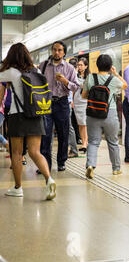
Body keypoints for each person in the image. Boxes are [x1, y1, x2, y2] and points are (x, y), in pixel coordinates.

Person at [0, 43, 56, 199]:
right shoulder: (36, 70)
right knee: (35, 152)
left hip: (17, 116)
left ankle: (18, 188)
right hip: (36, 114)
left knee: (16, 153)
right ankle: (49, 179)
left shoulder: (11, 72)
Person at [82, 54, 127, 179]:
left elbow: (83, 95)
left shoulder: (90, 78)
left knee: (93, 142)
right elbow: (125, 85)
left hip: (93, 113)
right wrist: (116, 74)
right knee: (113, 142)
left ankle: (90, 165)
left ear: (97, 65)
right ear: (110, 66)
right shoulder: (113, 80)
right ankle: (116, 169)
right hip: (110, 113)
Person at [39, 41, 79, 172]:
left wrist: (65, 81)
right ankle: (45, 164)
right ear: (52, 51)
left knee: (63, 133)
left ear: (64, 52)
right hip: (46, 103)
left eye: (60, 50)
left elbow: (76, 86)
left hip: (62, 103)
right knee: (45, 134)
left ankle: (61, 161)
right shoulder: (43, 66)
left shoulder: (69, 68)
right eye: (55, 50)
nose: (57, 52)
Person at [74, 57, 89, 152]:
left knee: (84, 123)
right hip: (77, 101)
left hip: (85, 102)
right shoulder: (75, 75)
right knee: (80, 123)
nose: (79, 67)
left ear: (86, 66)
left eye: (81, 65)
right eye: (78, 65)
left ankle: (85, 144)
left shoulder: (89, 77)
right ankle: (83, 141)